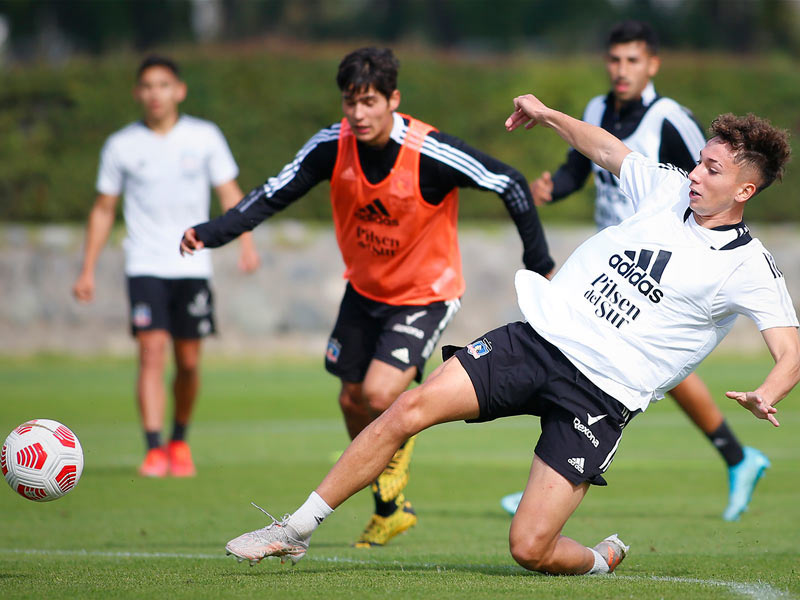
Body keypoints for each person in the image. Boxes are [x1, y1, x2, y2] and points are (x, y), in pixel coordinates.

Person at [219, 98, 798, 576]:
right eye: (698, 162)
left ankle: (598, 560)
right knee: (407, 407)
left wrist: (768, 391)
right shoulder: (668, 189)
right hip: (538, 341)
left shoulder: (750, 268)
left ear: (744, 192)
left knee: (530, 549)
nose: (695, 174)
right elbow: (605, 147)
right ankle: (295, 528)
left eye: (712, 171)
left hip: (599, 398)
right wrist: (548, 115)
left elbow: (790, 350)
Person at [180, 47, 555, 547]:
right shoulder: (331, 146)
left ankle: (388, 472)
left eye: (370, 101)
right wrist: (213, 232)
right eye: (350, 102)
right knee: (351, 398)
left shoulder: (429, 152)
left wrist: (540, 264)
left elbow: (509, 183)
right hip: (364, 291)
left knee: (380, 394)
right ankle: (389, 506)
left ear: (393, 100)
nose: (358, 113)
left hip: (426, 293)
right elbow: (272, 192)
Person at [500, 20, 769, 522]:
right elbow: (582, 165)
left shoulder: (670, 119)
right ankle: (551, 481)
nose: (621, 70)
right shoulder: (597, 110)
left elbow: (706, 178)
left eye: (632, 61)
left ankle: (735, 457)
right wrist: (552, 187)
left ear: (652, 65)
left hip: (660, 268)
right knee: (566, 353)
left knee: (622, 371)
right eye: (615, 59)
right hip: (610, 259)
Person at [73, 55, 259, 478]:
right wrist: (87, 269)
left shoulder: (204, 136)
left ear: (179, 90)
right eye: (147, 86)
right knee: (152, 352)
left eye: (163, 85)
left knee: (189, 362)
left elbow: (230, 192)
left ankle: (179, 440)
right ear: (138, 93)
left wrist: (246, 241)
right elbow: (104, 209)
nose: (155, 94)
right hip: (145, 264)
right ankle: (154, 447)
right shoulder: (122, 145)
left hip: (192, 265)